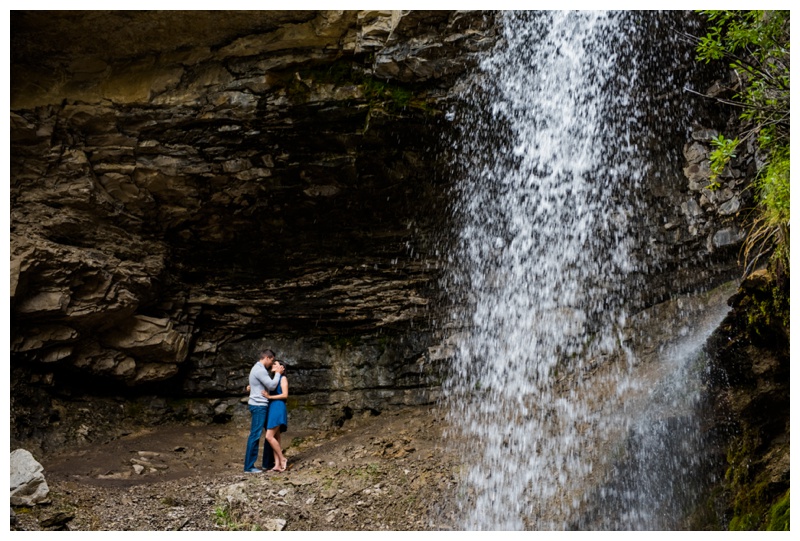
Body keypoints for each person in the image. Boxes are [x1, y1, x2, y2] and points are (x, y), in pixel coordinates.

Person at [243, 349, 284, 473]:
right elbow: (271, 386)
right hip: (259, 406)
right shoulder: (260, 370)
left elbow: (261, 386)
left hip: (262, 405)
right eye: (272, 360)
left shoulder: (258, 369)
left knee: (269, 434)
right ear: (267, 357)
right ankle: (249, 467)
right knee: (255, 435)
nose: (272, 364)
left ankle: (267, 463)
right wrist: (278, 373)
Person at [262, 360, 289, 472]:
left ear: (282, 368)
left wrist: (270, 397)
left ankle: (282, 459)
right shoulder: (274, 379)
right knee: (276, 437)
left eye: (275, 364)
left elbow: (285, 394)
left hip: (278, 407)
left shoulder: (283, 378)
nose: (272, 365)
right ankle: (277, 464)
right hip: (272, 408)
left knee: (269, 436)